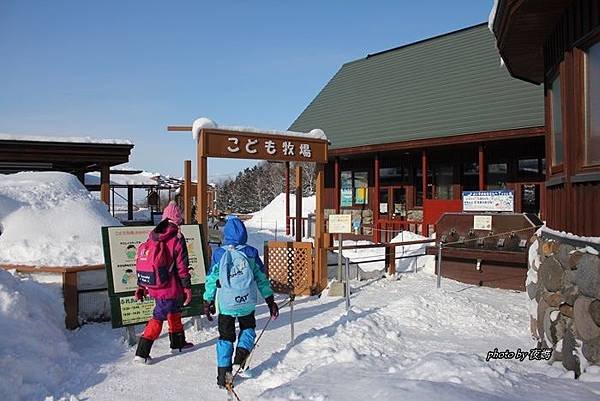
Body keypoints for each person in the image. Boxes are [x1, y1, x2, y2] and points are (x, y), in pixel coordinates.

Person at [203, 215, 279, 388]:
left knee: (225, 338)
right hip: (247, 302)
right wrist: (270, 300)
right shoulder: (251, 253)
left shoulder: (219, 254)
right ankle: (241, 360)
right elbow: (261, 278)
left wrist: (208, 300)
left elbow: (211, 278)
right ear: (244, 234)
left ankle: (223, 376)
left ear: (226, 234)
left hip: (227, 304)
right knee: (248, 329)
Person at [134, 201, 194, 363]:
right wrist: (187, 287)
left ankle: (178, 343)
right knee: (158, 315)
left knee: (173, 309)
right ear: (178, 219)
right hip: (170, 286)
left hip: (154, 283)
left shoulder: (153, 236)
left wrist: (141, 285)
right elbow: (182, 266)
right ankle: (142, 352)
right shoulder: (177, 238)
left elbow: (143, 262)